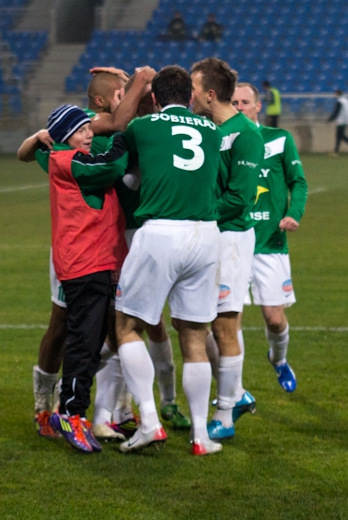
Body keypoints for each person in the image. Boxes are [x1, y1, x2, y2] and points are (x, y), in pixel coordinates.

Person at [17, 67, 157, 441]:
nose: (125, 100)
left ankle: (112, 408)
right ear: (100, 102)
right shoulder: (89, 130)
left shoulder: (97, 132)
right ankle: (47, 405)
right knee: (64, 328)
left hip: (108, 247)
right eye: (119, 93)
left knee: (116, 328)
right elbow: (118, 126)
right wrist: (142, 80)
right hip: (79, 254)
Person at [114, 65, 223, 455]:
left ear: (156, 99)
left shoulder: (144, 127)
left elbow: (118, 125)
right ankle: (200, 436)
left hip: (160, 232)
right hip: (206, 237)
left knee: (127, 326)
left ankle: (148, 421)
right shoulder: (213, 130)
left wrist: (132, 89)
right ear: (191, 98)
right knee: (194, 336)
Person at [19, 105, 129, 454]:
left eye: (88, 128)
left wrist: (38, 138)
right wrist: (129, 138)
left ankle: (73, 410)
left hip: (93, 260)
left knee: (90, 339)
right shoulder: (70, 161)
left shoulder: (60, 156)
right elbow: (112, 164)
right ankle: (71, 413)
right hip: (84, 263)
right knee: (82, 343)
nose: (88, 134)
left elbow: (30, 151)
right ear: (66, 136)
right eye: (81, 130)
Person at [192, 58, 261, 441]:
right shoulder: (210, 129)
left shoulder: (245, 133)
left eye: (193, 88)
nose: (190, 94)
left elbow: (239, 197)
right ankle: (235, 393)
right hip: (210, 234)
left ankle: (226, 415)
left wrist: (199, 213)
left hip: (231, 237)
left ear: (210, 94)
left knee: (225, 324)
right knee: (204, 324)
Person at [232, 82, 307, 394]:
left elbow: (298, 182)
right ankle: (232, 391)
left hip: (270, 243)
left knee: (274, 320)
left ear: (258, 106)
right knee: (228, 319)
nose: (239, 107)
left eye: (245, 102)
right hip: (233, 242)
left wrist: (295, 214)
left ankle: (279, 359)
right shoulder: (224, 141)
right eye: (233, 102)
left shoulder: (279, 140)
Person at [327, 89, 348, 156]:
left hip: (341, 120)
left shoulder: (340, 101)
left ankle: (336, 151)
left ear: (338, 94)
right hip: (346, 120)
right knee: (341, 136)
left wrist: (330, 119)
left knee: (339, 136)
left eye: (335, 94)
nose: (335, 95)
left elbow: (336, 112)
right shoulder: (347, 100)